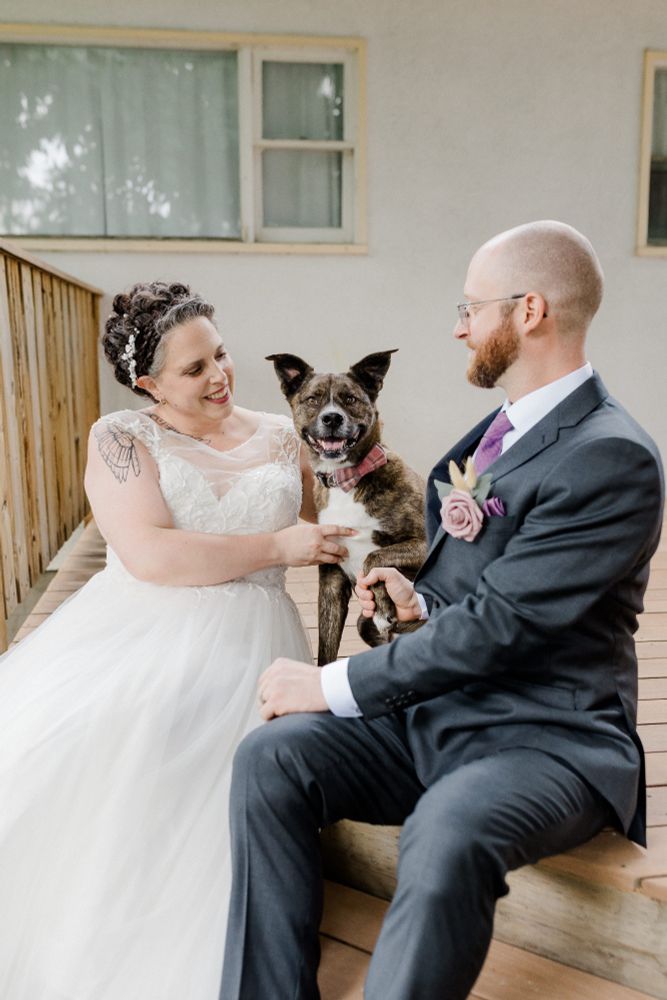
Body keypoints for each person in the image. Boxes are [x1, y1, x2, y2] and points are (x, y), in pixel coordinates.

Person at [220, 222, 665, 1000]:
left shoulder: (609, 455)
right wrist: (418, 604)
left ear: (528, 311)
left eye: (471, 308)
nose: (459, 327)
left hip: (543, 737)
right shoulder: (497, 433)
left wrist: (329, 683)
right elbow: (479, 591)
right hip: (439, 711)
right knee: (272, 757)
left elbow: (504, 625)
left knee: (446, 826)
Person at [0, 281, 354, 1000]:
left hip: (253, 633)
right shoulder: (121, 439)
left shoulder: (281, 434)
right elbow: (151, 555)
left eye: (220, 354)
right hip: (141, 623)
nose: (220, 375)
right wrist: (277, 545)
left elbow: (332, 527)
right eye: (195, 369)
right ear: (148, 384)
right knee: (107, 729)